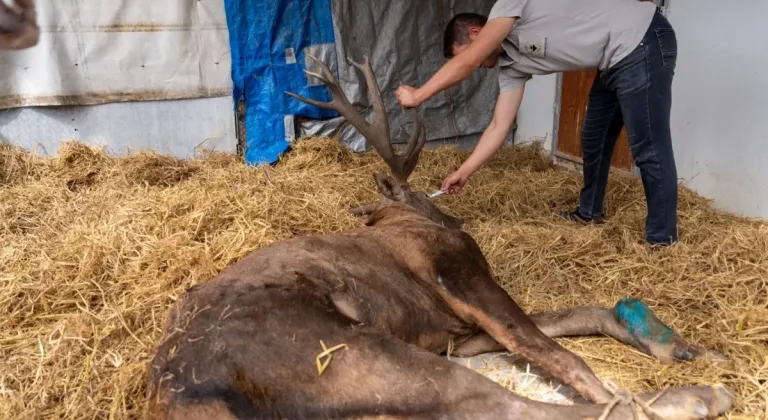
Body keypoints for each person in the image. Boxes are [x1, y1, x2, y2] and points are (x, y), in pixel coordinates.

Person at [395, 0, 679, 246]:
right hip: (612, 61)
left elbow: (468, 61)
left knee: (648, 147)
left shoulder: (507, 8)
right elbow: (498, 125)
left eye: (467, 52)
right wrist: (465, 171)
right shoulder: (510, 66)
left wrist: (418, 95)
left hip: (642, 40)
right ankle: (589, 212)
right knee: (594, 137)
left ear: (476, 33)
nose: (479, 66)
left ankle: (661, 240)